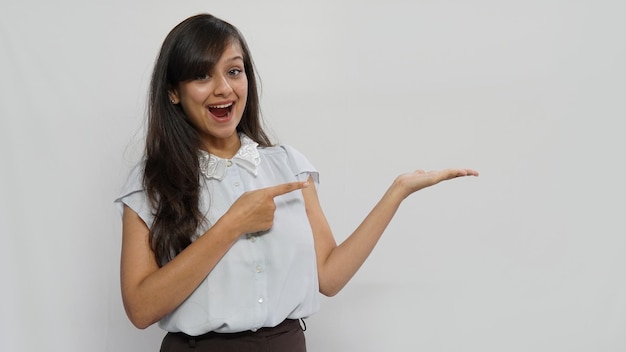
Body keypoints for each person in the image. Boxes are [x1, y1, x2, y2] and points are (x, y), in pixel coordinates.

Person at [115, 13, 478, 352]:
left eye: (234, 71)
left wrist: (396, 192)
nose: (223, 88)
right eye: (202, 76)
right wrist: (233, 224)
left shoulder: (288, 166)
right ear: (173, 92)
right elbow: (141, 308)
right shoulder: (152, 182)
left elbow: (330, 278)